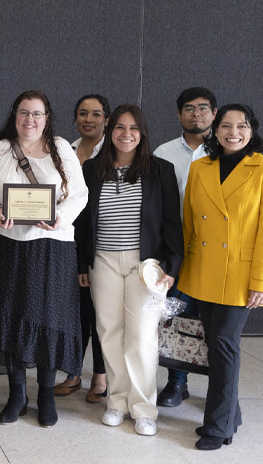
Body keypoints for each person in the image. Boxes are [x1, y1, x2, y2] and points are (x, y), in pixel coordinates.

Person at [0, 90, 88, 428]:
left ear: (47, 118)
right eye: (24, 113)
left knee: (48, 319)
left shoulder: (63, 149)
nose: (29, 120)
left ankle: (46, 394)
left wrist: (59, 217)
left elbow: (79, 194)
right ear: (15, 115)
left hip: (52, 247)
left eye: (37, 114)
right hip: (7, 246)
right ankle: (17, 393)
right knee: (12, 316)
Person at [177, 104, 263, 451]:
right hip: (203, 269)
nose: (233, 132)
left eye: (241, 126)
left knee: (224, 344)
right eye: (225, 125)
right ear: (215, 130)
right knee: (214, 343)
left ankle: (217, 425)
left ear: (252, 130)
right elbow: (190, 224)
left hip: (240, 275)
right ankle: (230, 415)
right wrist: (182, 271)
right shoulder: (200, 167)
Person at [73, 104, 183, 436]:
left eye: (134, 128)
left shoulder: (160, 170)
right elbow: (81, 222)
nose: (126, 134)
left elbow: (172, 224)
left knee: (141, 336)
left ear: (143, 133)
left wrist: (172, 267)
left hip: (145, 264)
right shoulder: (92, 169)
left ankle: (144, 408)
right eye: (120, 127)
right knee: (108, 331)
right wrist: (83, 263)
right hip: (103, 260)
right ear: (111, 130)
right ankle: (117, 402)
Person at [152, 86, 218, 407]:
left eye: (203, 108)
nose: (196, 114)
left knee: (216, 320)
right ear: (178, 114)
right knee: (175, 315)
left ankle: (221, 386)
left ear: (214, 114)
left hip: (215, 249)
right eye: (189, 108)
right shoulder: (162, 153)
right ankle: (177, 382)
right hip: (175, 247)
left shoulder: (227, 152)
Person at [56, 94, 111, 403]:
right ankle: (73, 371)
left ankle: (101, 376)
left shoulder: (115, 152)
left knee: (99, 312)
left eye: (96, 114)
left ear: (106, 119)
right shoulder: (66, 150)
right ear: (75, 118)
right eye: (82, 113)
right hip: (65, 239)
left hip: (100, 242)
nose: (89, 119)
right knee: (74, 312)